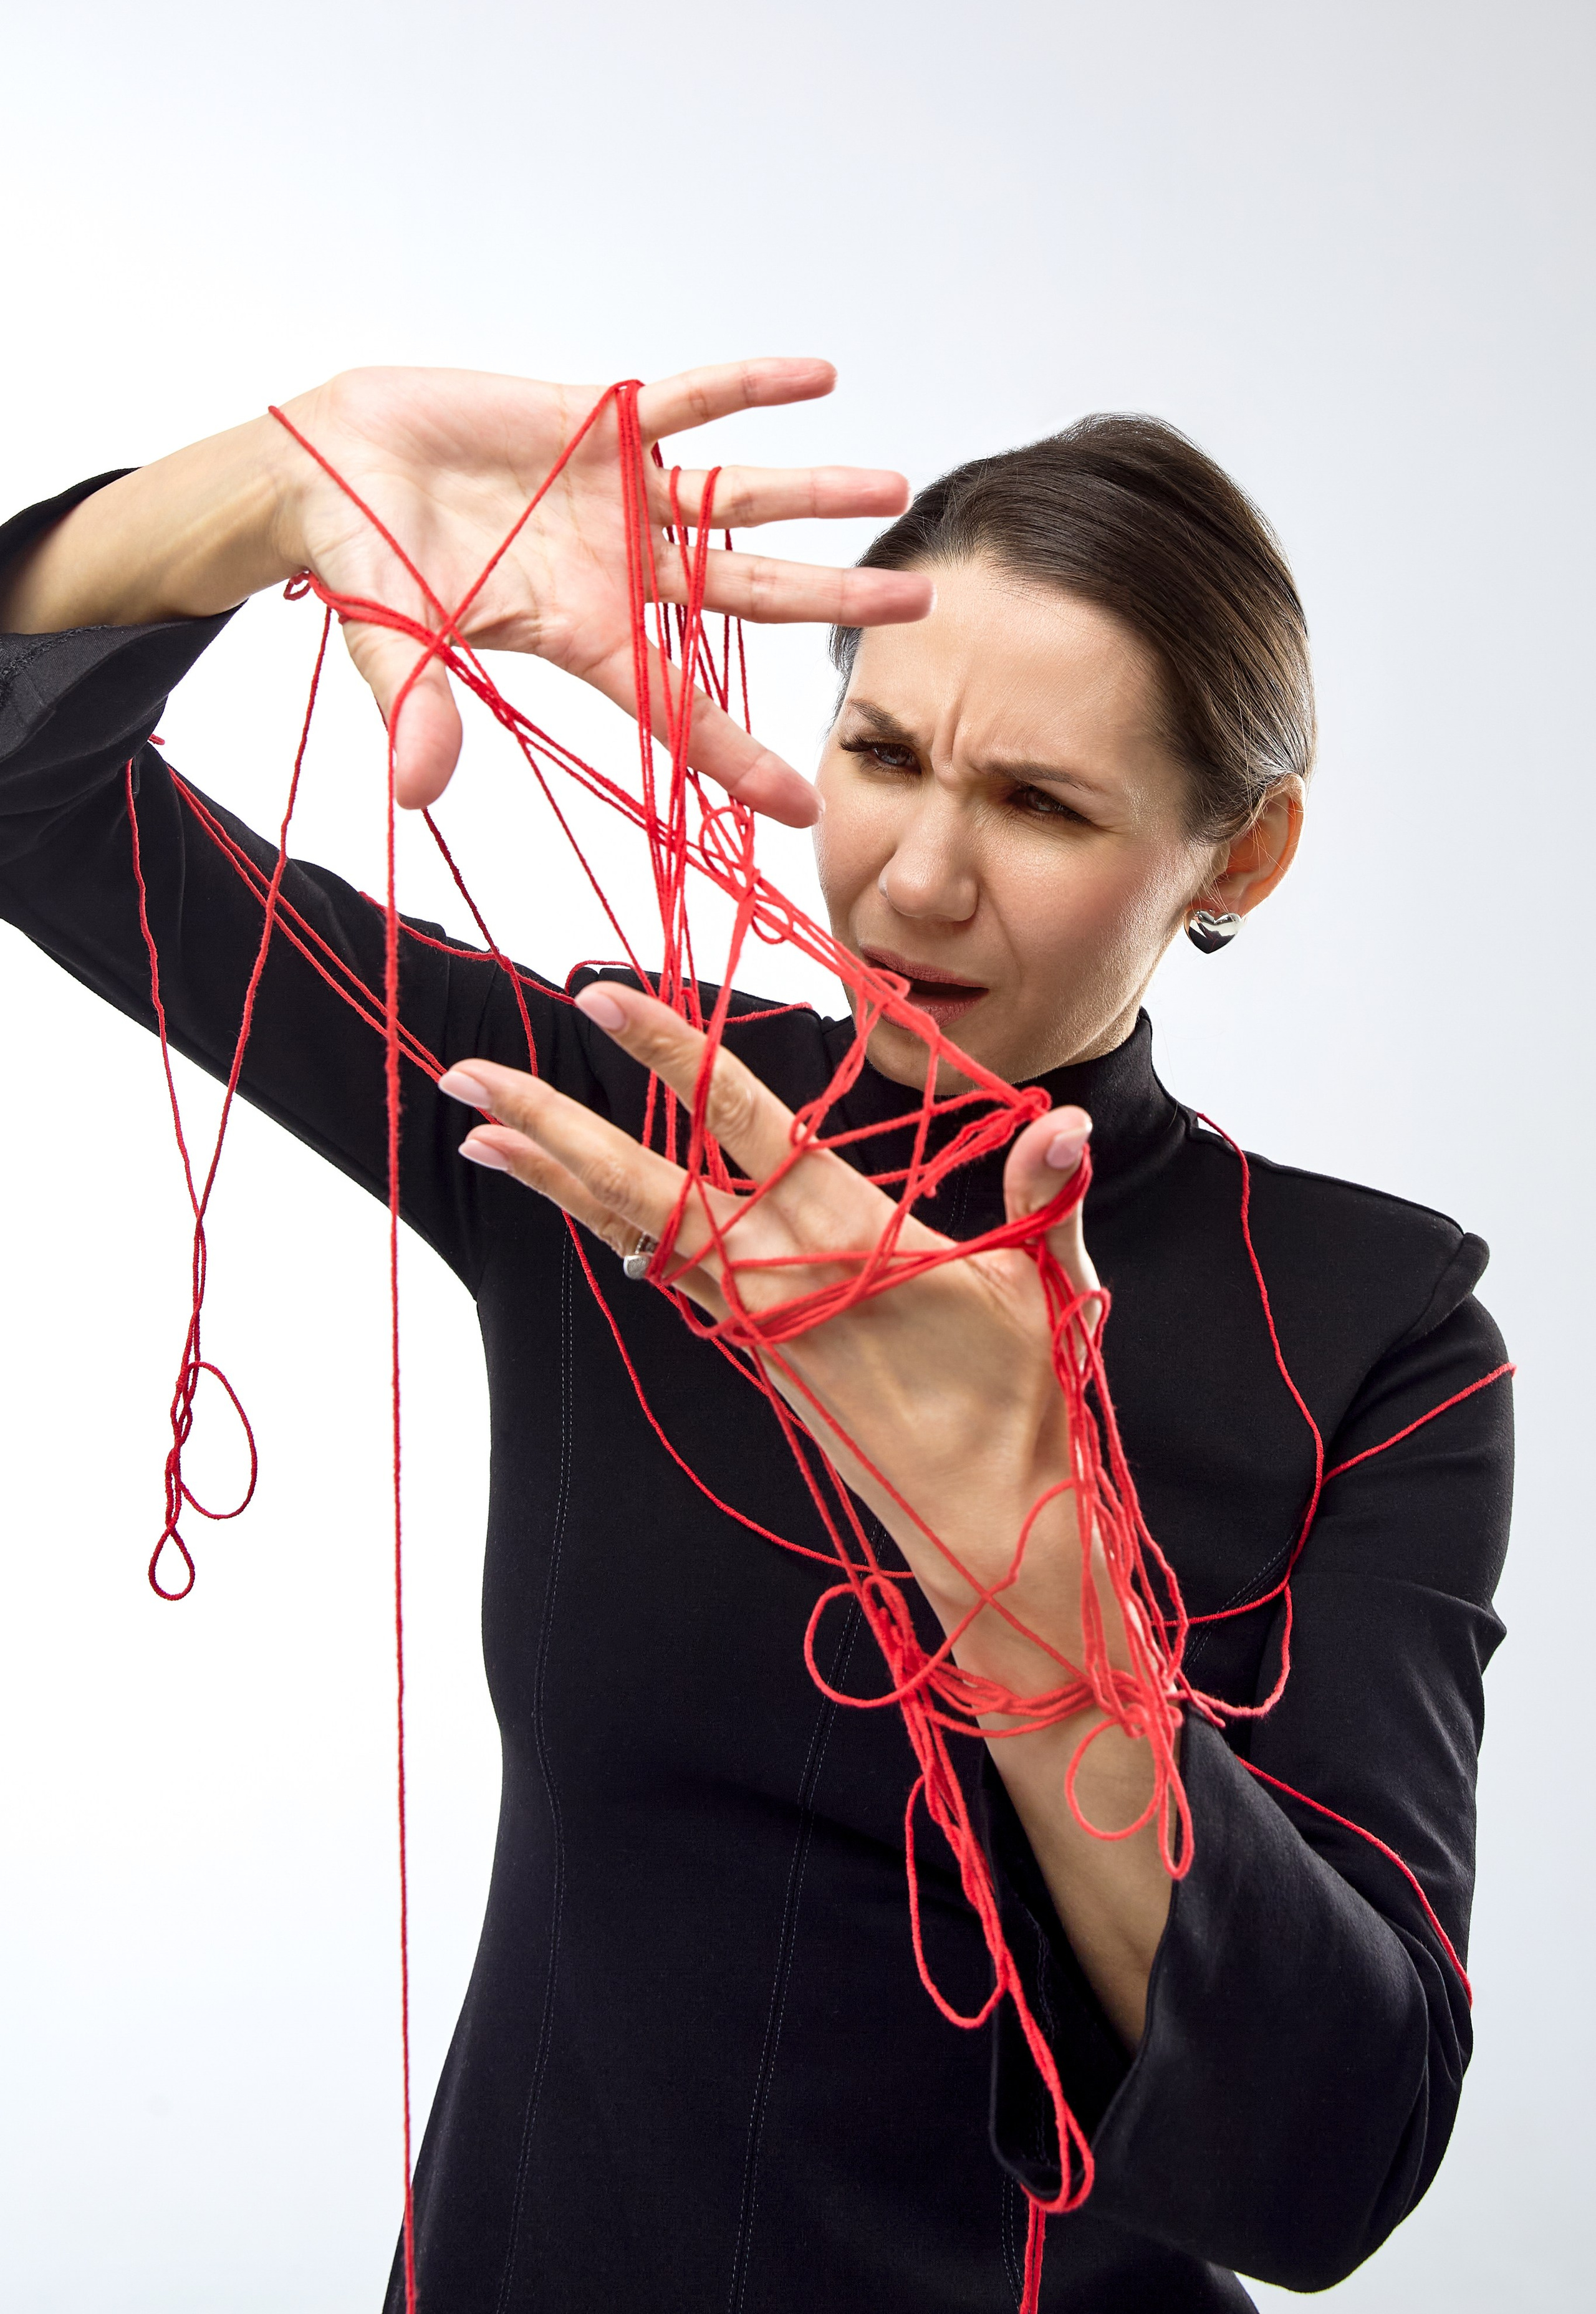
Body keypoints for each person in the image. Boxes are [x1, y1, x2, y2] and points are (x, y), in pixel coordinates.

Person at [0, 360, 1512, 2312]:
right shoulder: (631, 1122)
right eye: (882, 757)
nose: (915, 877)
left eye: (1041, 802)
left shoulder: (1376, 1330)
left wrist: (1027, 1563)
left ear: (1241, 858)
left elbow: (1337, 2156)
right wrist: (273, 490)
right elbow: (40, 801)